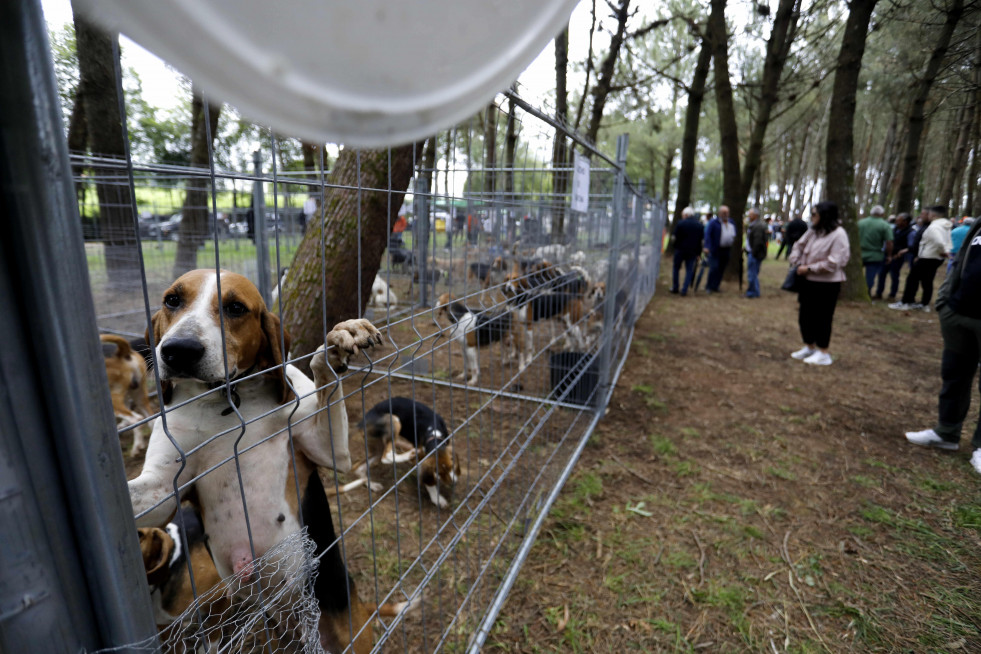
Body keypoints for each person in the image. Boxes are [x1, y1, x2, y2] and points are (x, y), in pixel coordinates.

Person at [904, 216, 981, 475]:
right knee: (954, 375)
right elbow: (962, 260)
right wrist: (945, 301)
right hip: (958, 313)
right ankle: (946, 432)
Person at [788, 201, 851, 366]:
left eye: (815, 214)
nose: (812, 217)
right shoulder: (813, 231)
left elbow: (834, 262)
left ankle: (823, 352)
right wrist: (796, 259)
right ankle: (809, 346)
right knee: (805, 316)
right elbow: (798, 245)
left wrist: (809, 268)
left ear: (825, 216)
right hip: (807, 282)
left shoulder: (839, 234)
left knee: (822, 318)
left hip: (827, 284)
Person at [890, 205, 952, 312]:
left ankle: (906, 302)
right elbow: (947, 241)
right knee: (927, 281)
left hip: (927, 257)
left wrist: (944, 251)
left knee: (912, 279)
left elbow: (939, 241)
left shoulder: (934, 227)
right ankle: (924, 304)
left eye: (923, 214)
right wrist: (944, 251)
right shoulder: (945, 226)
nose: (921, 216)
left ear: (932, 215)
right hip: (935, 257)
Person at [857, 205, 893, 297]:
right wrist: (889, 255)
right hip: (875, 255)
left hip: (859, 253)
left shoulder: (860, 223)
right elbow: (889, 242)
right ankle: (866, 293)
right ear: (882, 214)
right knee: (870, 276)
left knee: (856, 273)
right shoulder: (885, 225)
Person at [877, 213, 913, 301]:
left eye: (899, 220)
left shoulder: (911, 232)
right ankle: (879, 293)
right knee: (882, 273)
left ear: (905, 221)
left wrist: (901, 252)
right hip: (887, 255)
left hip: (898, 257)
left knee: (894, 275)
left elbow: (911, 246)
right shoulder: (894, 229)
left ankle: (892, 295)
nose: (896, 221)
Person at [670, 206, 703, 296]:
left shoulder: (681, 223)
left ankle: (675, 287)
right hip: (692, 251)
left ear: (686, 215)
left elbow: (674, 237)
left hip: (680, 250)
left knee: (676, 268)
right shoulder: (699, 225)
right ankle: (684, 289)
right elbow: (701, 241)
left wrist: (675, 246)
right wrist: (698, 253)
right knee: (689, 270)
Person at [703, 205, 735, 293]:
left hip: (726, 249)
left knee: (721, 268)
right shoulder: (714, 223)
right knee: (714, 268)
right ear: (719, 213)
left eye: (727, 212)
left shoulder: (731, 222)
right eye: (724, 212)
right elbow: (708, 235)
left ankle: (715, 286)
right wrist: (707, 246)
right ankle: (709, 286)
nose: (725, 214)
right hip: (715, 249)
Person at [744, 207, 767, 298]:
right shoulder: (753, 225)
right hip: (753, 253)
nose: (749, 216)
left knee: (752, 274)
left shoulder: (757, 226)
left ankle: (752, 292)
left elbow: (758, 242)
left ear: (755, 215)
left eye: (751, 214)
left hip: (755, 254)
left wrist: (753, 252)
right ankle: (755, 291)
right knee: (753, 273)